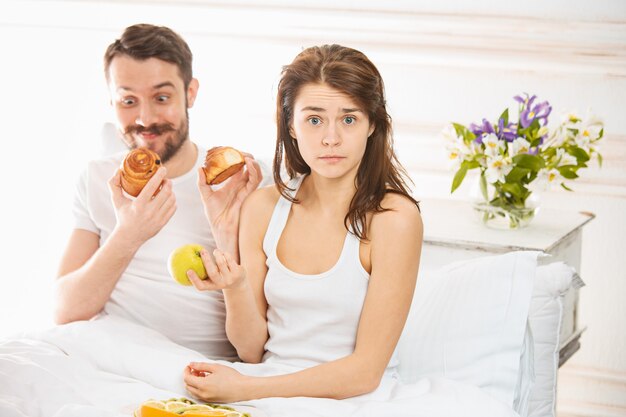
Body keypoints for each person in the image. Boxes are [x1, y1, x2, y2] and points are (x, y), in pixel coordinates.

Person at [182, 44, 423, 402]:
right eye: (314, 119)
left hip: (354, 400)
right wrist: (235, 286)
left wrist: (246, 388)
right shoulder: (263, 207)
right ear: (290, 126)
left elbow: (365, 372)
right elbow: (251, 351)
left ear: (372, 124)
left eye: (349, 118)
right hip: (265, 387)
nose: (330, 138)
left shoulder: (394, 220)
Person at [53, 23, 262, 360]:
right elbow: (64, 311)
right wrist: (128, 235)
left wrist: (228, 233)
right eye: (128, 100)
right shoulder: (96, 177)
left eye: (161, 97)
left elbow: (253, 348)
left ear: (190, 93)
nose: (145, 118)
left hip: (202, 368)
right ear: (111, 99)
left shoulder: (233, 184)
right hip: (110, 356)